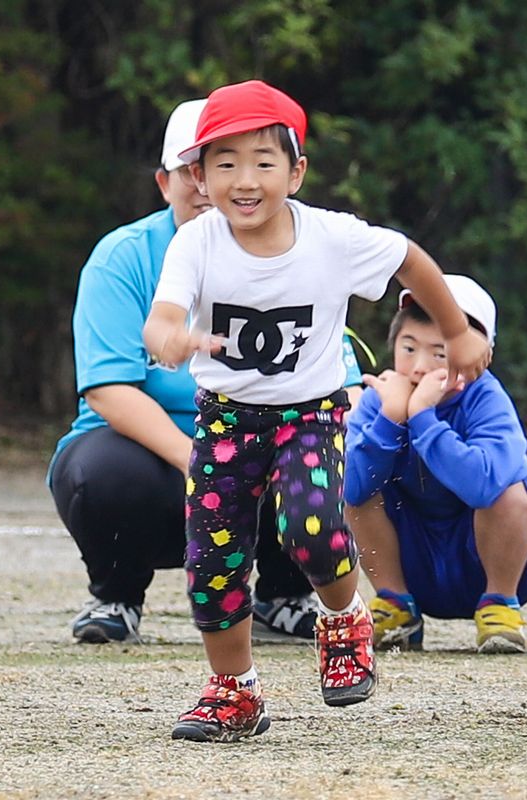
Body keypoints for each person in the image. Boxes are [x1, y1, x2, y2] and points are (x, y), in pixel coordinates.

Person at [142, 79, 491, 742]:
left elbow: (411, 262)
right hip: (224, 420)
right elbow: (161, 322)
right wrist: (172, 341)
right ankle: (232, 691)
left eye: (263, 163)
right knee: (213, 565)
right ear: (199, 175)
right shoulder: (197, 243)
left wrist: (459, 329)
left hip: (311, 413)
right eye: (224, 164)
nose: (244, 181)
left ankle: (342, 619)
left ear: (296, 172)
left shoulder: (333, 239)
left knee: (307, 522)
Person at [49, 99, 367, 646]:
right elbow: (107, 389)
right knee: (100, 471)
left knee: (311, 449)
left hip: (270, 436)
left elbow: (345, 382)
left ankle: (286, 595)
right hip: (163, 460)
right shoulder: (123, 257)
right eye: (205, 168)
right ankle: (118, 595)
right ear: (169, 180)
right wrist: (193, 459)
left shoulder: (301, 247)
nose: (222, 184)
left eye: (247, 162)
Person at [345, 275, 527, 654]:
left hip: (491, 559)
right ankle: (396, 607)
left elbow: (484, 486)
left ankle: (499, 607)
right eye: (408, 348)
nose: (420, 367)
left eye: (440, 354)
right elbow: (352, 491)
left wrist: (424, 418)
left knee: (509, 489)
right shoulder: (382, 399)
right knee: (359, 485)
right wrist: (391, 418)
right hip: (415, 559)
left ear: (476, 356)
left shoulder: (486, 398)